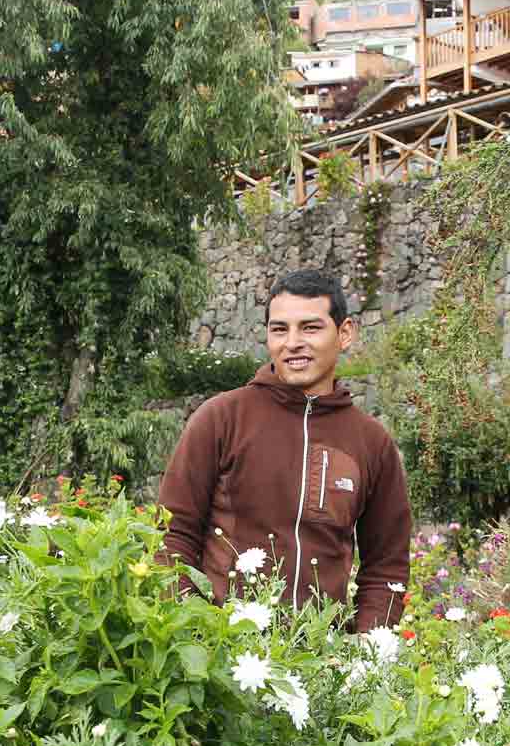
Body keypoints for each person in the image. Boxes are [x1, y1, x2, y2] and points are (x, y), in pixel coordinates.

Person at [157, 269, 411, 632]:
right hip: (223, 657)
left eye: (310, 328)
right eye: (280, 329)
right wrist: (195, 632)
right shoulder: (222, 419)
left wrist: (368, 652)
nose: (292, 342)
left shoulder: (371, 443)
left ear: (345, 333)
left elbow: (387, 567)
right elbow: (172, 535)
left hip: (321, 665)